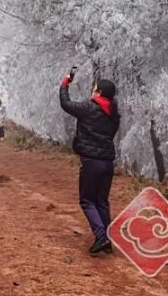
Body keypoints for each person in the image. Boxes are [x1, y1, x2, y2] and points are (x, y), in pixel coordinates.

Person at [59, 72, 120, 255]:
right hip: (107, 164)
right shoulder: (114, 115)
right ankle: (107, 239)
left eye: (94, 89)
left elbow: (66, 104)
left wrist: (65, 83)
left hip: (91, 162)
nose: (92, 92)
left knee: (87, 201)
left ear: (99, 92)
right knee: (102, 202)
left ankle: (101, 237)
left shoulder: (88, 108)